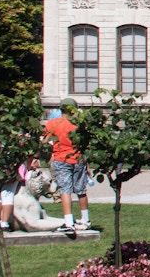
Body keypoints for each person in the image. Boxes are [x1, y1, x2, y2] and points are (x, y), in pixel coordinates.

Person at [43, 98, 90, 232]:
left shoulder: (53, 123)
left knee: (65, 190)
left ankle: (68, 222)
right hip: (79, 159)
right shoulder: (80, 124)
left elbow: (45, 141)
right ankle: (85, 219)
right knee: (81, 190)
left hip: (61, 159)